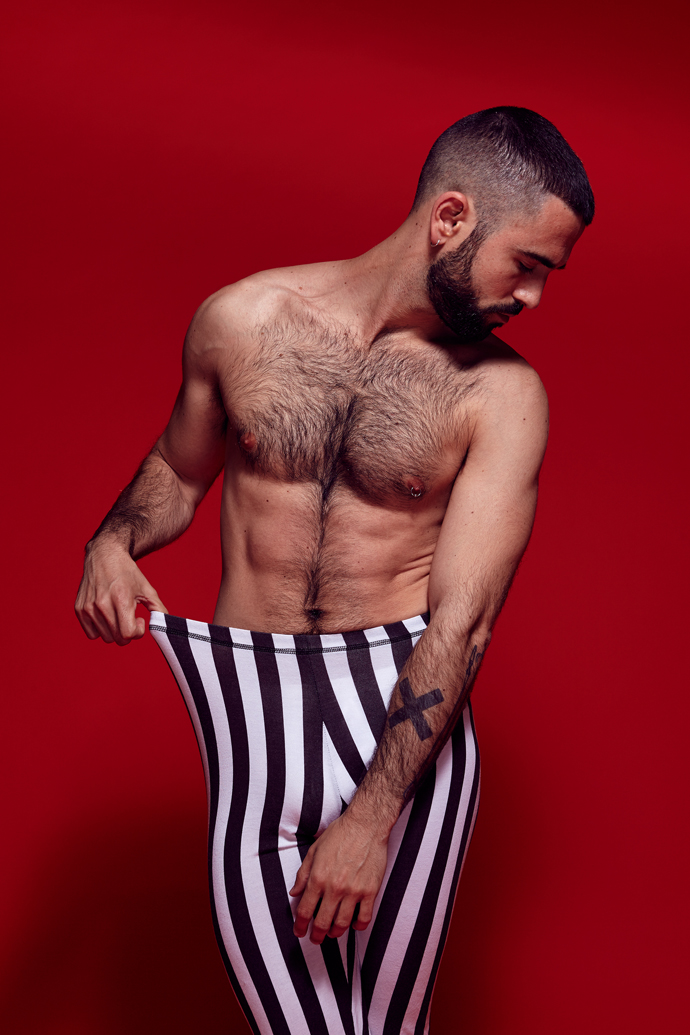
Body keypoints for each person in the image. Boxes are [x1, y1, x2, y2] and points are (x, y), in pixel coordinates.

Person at [75, 106, 593, 1035]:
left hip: (400, 732)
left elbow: (464, 620)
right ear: (451, 218)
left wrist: (371, 816)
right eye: (527, 264)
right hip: (251, 715)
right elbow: (179, 471)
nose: (533, 297)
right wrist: (110, 542)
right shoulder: (240, 320)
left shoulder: (502, 395)